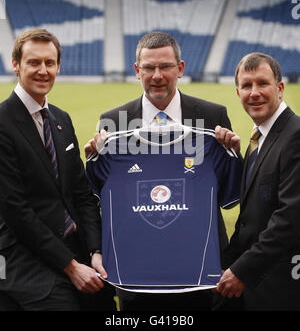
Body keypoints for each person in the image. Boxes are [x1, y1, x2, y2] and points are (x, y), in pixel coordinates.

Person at [84, 31, 240, 311]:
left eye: (165, 66)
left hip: (199, 268)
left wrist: (232, 154)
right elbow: (94, 197)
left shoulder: (212, 116)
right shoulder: (112, 123)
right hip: (136, 269)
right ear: (137, 70)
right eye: (149, 67)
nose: (157, 75)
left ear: (180, 69)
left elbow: (228, 191)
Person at [0, 28, 108, 311]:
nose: (43, 70)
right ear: (16, 64)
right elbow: (15, 210)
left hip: (75, 245)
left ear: (58, 66)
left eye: (49, 63)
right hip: (24, 255)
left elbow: (81, 194)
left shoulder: (61, 118)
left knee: (109, 302)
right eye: (34, 62)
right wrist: (71, 267)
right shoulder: (2, 122)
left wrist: (95, 251)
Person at [215, 52, 300, 310]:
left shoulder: (295, 136)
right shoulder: (259, 138)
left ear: (280, 88)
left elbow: (289, 219)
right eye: (246, 85)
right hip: (252, 283)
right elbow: (251, 212)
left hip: (279, 287)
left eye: (262, 83)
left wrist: (242, 271)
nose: (254, 93)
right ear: (237, 92)